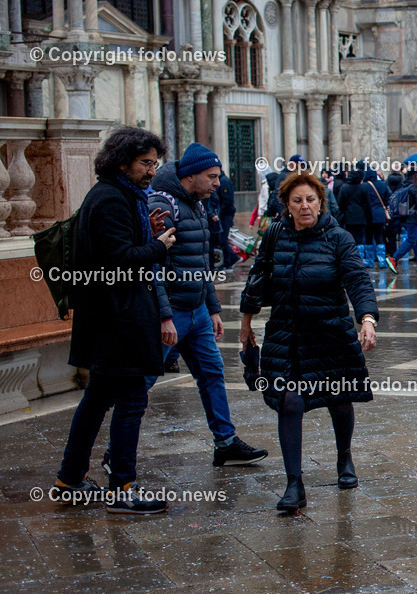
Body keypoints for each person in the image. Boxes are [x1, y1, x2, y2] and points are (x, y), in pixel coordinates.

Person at [239, 171, 379, 512]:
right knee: (289, 402)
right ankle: (294, 484)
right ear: (286, 205)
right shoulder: (275, 235)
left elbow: (357, 279)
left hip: (331, 333)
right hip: (287, 335)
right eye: (297, 200)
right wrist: (245, 325)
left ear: (321, 202)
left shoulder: (338, 237)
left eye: (311, 199)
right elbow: (257, 279)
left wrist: (367, 319)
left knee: (339, 399)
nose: (305, 206)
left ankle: (344, 457)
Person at [55, 127, 177, 515]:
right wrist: (158, 246)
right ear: (122, 162)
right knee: (131, 399)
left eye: (155, 163)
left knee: (96, 400)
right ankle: (122, 487)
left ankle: (69, 480)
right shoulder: (110, 199)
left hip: (113, 319)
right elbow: (119, 262)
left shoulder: (121, 195)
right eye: (145, 163)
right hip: (117, 321)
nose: (151, 171)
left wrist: (147, 235)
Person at [147, 143, 268, 466]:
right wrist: (164, 316)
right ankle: (115, 454)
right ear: (191, 175)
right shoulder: (163, 204)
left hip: (197, 310)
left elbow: (202, 263)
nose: (217, 183)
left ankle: (225, 442)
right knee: (140, 384)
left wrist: (212, 308)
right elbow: (152, 266)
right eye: (212, 176)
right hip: (171, 311)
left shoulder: (198, 203)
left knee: (212, 372)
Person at [386, 167, 417, 273]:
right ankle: (394, 258)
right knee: (411, 240)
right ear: (415, 176)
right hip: (412, 218)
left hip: (404, 217)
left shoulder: (404, 186)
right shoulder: (416, 188)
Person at [337, 165, 372, 264]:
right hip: (361, 217)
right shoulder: (362, 188)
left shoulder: (344, 187)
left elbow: (340, 203)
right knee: (360, 239)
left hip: (348, 217)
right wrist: (369, 218)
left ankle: (350, 258)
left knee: (349, 238)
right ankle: (359, 259)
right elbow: (367, 205)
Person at [363, 168, 391, 269]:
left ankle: (369, 261)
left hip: (368, 215)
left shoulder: (364, 186)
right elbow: (388, 198)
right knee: (380, 237)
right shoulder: (383, 185)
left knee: (368, 237)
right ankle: (382, 261)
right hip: (380, 214)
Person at [216, 169, 240, 270]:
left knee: (223, 239)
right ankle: (231, 259)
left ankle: (229, 261)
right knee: (222, 239)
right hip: (224, 213)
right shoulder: (221, 180)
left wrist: (220, 212)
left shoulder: (224, 181)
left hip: (225, 214)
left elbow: (227, 200)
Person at [384, 170, 405, 257]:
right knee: (404, 233)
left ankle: (393, 252)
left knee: (391, 235)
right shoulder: (403, 182)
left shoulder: (387, 182)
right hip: (401, 210)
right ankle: (403, 253)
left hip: (391, 210)